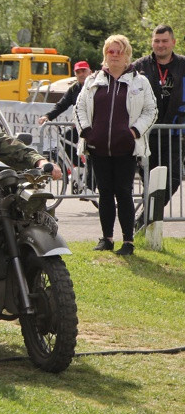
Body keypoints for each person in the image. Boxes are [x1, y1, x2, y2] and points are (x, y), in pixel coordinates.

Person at [75, 35, 157, 256]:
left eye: (119, 51)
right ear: (105, 54)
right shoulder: (93, 81)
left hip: (126, 149)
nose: (115, 55)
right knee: (105, 193)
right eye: (111, 51)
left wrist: (134, 132)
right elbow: (79, 107)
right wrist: (86, 131)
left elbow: (151, 111)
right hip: (98, 148)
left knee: (124, 192)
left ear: (127, 54)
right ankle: (107, 239)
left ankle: (128, 242)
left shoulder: (140, 82)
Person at [133, 24, 185, 222]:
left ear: (173, 42)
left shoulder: (182, 65)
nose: (160, 45)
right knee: (149, 181)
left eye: (164, 41)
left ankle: (145, 218)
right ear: (152, 42)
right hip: (146, 135)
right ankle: (147, 223)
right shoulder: (140, 66)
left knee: (172, 179)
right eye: (156, 41)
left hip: (173, 134)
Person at [38, 61, 95, 192]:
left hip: (95, 127)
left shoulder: (95, 86)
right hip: (81, 126)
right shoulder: (74, 89)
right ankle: (80, 167)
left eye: (83, 71)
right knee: (65, 138)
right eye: (78, 72)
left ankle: (90, 189)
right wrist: (47, 116)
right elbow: (61, 105)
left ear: (90, 72)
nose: (81, 74)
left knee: (92, 154)